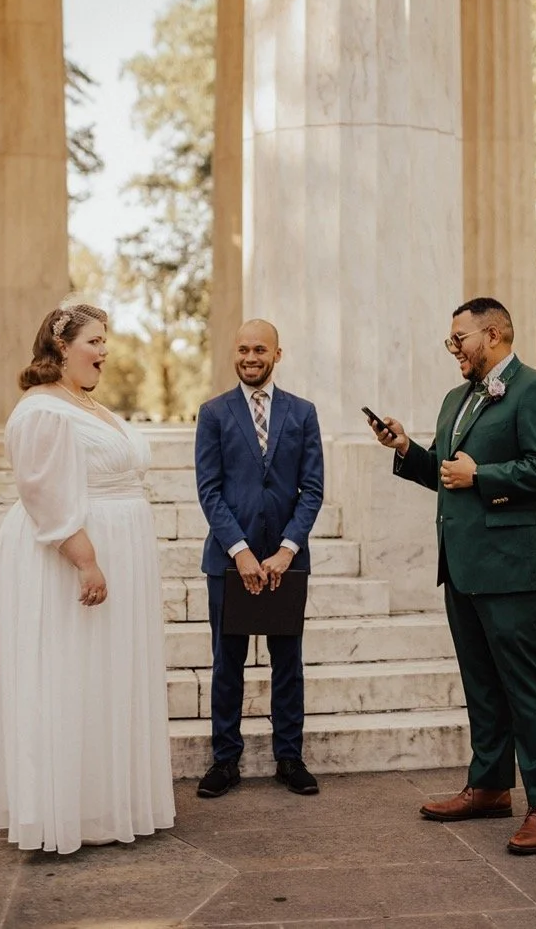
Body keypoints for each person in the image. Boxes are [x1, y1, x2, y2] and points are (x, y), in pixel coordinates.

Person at [370, 297, 536, 855]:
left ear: (496, 333)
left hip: (515, 568)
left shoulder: (534, 390)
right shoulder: (455, 399)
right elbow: (446, 474)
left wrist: (484, 474)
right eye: (450, 340)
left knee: (524, 688)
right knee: (481, 685)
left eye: (460, 338)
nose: (453, 348)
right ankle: (488, 788)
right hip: (461, 566)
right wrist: (408, 450)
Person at [0, 302, 175, 855]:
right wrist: (85, 557)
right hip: (72, 556)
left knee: (106, 677)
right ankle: (66, 808)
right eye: (95, 340)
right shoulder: (42, 410)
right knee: (71, 673)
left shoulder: (83, 403)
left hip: (121, 547)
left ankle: (105, 801)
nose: (104, 350)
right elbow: (41, 488)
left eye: (105, 339)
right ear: (61, 345)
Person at [193, 320, 325, 798]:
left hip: (287, 559)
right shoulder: (213, 413)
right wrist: (242, 552)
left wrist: (287, 550)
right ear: (236, 352)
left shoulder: (303, 413)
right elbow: (209, 490)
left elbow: (311, 489)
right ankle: (225, 760)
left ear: (277, 354)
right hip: (230, 560)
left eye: (260, 350)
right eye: (244, 348)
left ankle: (289, 757)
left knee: (287, 661)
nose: (251, 357)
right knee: (227, 663)